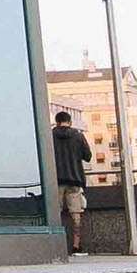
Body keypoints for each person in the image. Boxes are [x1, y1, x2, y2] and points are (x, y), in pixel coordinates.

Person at [53, 107, 93, 254]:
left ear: (56, 122)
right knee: (76, 214)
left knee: (55, 212)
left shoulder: (50, 135)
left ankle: (56, 245)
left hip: (56, 179)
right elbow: (88, 156)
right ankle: (76, 245)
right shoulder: (78, 135)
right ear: (69, 122)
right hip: (75, 179)